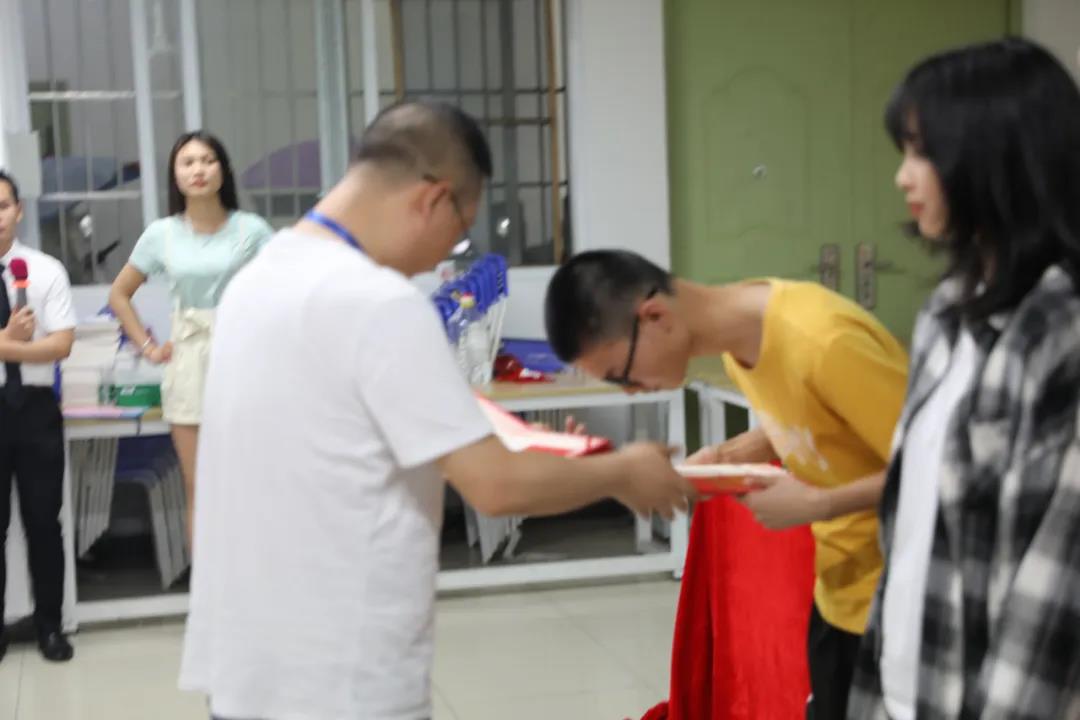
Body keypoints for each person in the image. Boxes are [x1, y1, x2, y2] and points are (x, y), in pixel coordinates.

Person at [178, 101, 694, 720]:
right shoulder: (379, 302)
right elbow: (496, 487)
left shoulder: (255, 280)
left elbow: (336, 431)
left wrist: (525, 442)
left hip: (248, 674)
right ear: (434, 199)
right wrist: (625, 472)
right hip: (343, 682)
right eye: (458, 231)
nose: (439, 259)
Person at [544, 249, 909, 720]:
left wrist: (819, 504)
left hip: (901, 604)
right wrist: (710, 464)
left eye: (622, 375)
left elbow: (938, 467)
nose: (631, 390)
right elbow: (812, 421)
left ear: (654, 316)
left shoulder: (821, 340)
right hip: (840, 597)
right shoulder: (745, 348)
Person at [847, 37, 1080, 720]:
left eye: (922, 153)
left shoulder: (1060, 330)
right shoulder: (948, 312)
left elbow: (1057, 585)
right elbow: (916, 530)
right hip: (911, 684)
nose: (902, 177)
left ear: (996, 156)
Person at [109, 132, 274, 541]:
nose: (198, 169)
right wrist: (148, 347)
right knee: (199, 486)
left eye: (207, 160)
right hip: (188, 362)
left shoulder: (251, 229)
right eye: (188, 162)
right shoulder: (161, 234)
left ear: (223, 170)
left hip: (243, 362)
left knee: (249, 484)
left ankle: (253, 576)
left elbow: (285, 287)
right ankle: (208, 582)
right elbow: (119, 295)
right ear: (175, 175)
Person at [0, 170, 77, 662]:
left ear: (19, 209)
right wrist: (13, 340)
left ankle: (50, 626)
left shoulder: (45, 270)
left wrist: (9, 346)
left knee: (44, 522)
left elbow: (62, 344)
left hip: (35, 410)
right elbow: (40, 345)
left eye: (2, 205)